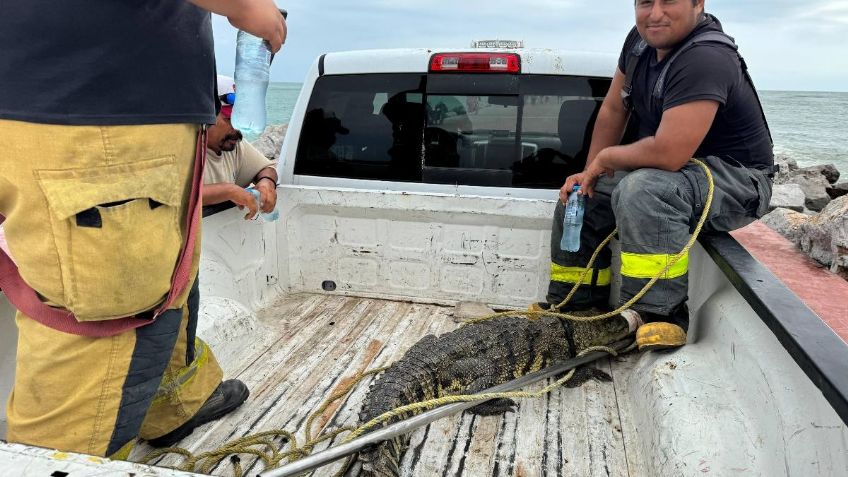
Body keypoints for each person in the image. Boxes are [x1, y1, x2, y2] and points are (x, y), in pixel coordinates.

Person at [0, 0, 285, 458]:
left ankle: (174, 406)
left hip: (131, 120)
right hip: (96, 120)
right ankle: (56, 461)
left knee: (172, 280)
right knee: (107, 308)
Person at [533, 0, 773, 351]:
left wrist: (607, 157)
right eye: (646, 2)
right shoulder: (639, 42)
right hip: (675, 172)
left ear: (698, 4)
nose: (655, 13)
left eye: (669, 1)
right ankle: (577, 304)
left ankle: (658, 316)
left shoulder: (706, 57)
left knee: (645, 189)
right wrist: (589, 172)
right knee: (585, 192)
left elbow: (668, 154)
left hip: (739, 180)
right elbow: (614, 109)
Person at [203, 75, 278, 220]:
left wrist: (266, 183)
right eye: (230, 119)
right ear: (206, 116)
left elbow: (266, 168)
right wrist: (229, 191)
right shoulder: (185, 148)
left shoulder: (233, 146)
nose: (237, 128)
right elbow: (174, 194)